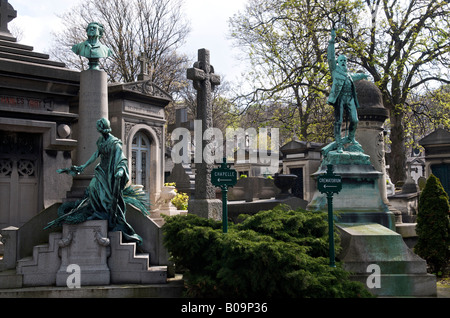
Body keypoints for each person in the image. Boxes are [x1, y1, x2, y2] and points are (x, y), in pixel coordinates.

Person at [46, 118, 143, 245]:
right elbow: (96, 154)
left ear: (104, 129)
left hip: (111, 173)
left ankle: (106, 214)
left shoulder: (115, 143)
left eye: (100, 129)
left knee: (107, 197)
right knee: (92, 188)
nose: (99, 131)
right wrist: (83, 166)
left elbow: (122, 160)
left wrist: (120, 170)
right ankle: (97, 211)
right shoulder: (101, 140)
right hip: (101, 171)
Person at [327, 29, 368, 153]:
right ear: (338, 63)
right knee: (339, 122)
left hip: (350, 99)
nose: (344, 62)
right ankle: (339, 144)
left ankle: (351, 137)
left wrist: (363, 76)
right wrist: (332, 41)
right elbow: (330, 57)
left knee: (354, 120)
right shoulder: (335, 71)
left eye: (345, 61)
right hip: (339, 98)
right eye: (341, 61)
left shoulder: (349, 75)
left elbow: (356, 75)